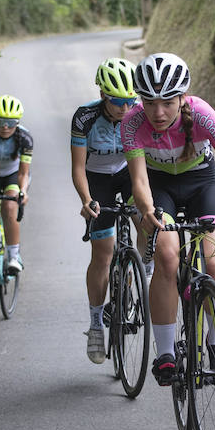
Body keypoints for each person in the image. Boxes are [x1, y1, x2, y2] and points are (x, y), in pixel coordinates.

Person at [122, 52, 215, 385]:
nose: (158, 112)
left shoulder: (202, 114)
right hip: (159, 188)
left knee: (213, 262)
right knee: (166, 255)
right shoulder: (132, 122)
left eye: (167, 102)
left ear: (182, 97)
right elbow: (140, 182)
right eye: (149, 102)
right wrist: (146, 212)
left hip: (202, 182)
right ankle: (165, 354)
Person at [70, 57, 140, 363]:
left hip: (128, 173)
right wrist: (86, 200)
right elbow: (77, 168)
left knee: (149, 218)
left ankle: (142, 267)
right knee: (102, 252)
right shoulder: (84, 118)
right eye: (117, 102)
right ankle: (96, 325)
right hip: (96, 178)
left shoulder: (138, 114)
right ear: (102, 96)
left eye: (129, 101)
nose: (125, 109)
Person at [0, 94, 33, 275]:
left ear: (18, 122)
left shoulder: (25, 138)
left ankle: (14, 255)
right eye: (0, 122)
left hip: (12, 175)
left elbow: (23, 172)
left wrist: (22, 191)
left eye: (11, 122)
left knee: (9, 206)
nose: (5, 127)